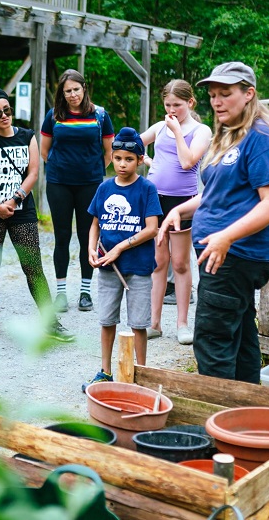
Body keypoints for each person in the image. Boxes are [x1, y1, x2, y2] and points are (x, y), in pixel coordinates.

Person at [159, 62, 269, 383]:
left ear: (248, 94)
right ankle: (244, 416)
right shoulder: (234, 132)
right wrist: (182, 210)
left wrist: (225, 237)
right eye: (213, 95)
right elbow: (223, 193)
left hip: (236, 254)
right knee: (241, 336)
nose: (217, 101)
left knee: (212, 340)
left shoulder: (264, 137)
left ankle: (217, 421)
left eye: (226, 94)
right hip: (227, 252)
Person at [0, 87, 73, 343]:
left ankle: (50, 322)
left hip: (22, 211)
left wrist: (15, 200)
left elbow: (33, 174)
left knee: (32, 267)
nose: (5, 116)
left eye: (7, 110)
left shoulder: (27, 136)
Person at [83, 128, 161, 390]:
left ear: (140, 160)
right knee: (107, 320)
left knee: (138, 324)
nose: (122, 164)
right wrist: (92, 249)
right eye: (117, 158)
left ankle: (141, 374)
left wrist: (120, 248)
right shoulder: (105, 187)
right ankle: (105, 371)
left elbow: (152, 228)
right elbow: (94, 223)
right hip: (108, 269)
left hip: (138, 267)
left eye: (129, 159)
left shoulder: (147, 189)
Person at [140, 80, 212, 345]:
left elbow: (187, 161)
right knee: (158, 262)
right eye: (168, 105)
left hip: (183, 202)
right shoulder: (160, 127)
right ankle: (154, 323)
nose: (172, 110)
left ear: (190, 103)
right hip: (155, 201)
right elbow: (132, 143)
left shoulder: (201, 130)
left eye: (177, 105)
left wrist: (177, 131)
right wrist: (145, 159)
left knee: (180, 263)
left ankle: (182, 324)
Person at [40, 70, 114, 313]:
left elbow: (109, 151)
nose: (72, 95)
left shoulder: (100, 115)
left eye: (76, 89)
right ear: (62, 93)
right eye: (67, 91)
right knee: (62, 237)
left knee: (87, 236)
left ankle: (85, 291)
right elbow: (44, 151)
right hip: (59, 183)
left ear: (84, 88)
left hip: (90, 184)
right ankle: (60, 293)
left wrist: (92, 172)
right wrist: (60, 170)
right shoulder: (53, 116)